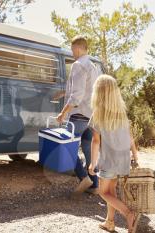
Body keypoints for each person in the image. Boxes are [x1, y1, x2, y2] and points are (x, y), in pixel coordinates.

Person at [88, 75, 140, 233]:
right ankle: (109, 222)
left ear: (98, 92)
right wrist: (136, 156)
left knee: (103, 192)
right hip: (122, 160)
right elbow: (130, 138)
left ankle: (128, 213)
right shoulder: (121, 113)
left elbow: (96, 141)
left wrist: (92, 163)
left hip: (109, 161)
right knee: (112, 191)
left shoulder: (98, 114)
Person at [56, 35, 100, 194]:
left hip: (79, 114)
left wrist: (63, 112)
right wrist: (63, 94)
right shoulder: (93, 66)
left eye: (73, 49)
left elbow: (77, 95)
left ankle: (84, 178)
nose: (72, 52)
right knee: (88, 148)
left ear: (79, 48)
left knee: (66, 147)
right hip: (91, 115)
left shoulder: (78, 64)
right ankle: (95, 184)